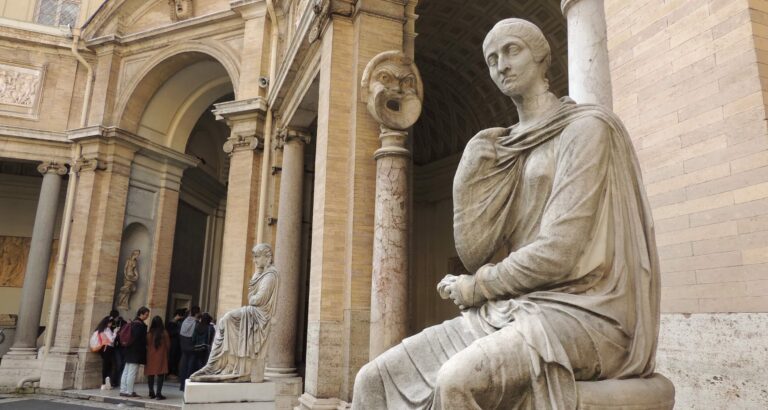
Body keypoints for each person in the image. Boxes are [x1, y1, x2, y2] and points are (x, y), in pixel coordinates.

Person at [353, 18, 660, 409]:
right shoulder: (505, 147)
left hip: (583, 309)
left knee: (457, 381)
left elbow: (560, 251)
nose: (502, 65)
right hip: (514, 308)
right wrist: (469, 175)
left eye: (512, 50)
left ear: (541, 57)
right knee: (373, 380)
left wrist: (475, 288)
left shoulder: (586, 129)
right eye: (492, 58)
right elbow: (473, 251)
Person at [190, 244, 278, 382]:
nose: (254, 261)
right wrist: (256, 279)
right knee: (226, 319)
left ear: (266, 257)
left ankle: (224, 365)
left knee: (229, 318)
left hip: (260, 315)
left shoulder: (270, 276)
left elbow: (257, 299)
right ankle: (218, 364)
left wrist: (253, 295)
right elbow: (252, 295)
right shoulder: (262, 274)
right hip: (254, 311)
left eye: (256, 257)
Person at [119, 306, 150, 398]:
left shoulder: (133, 323)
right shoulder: (139, 325)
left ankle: (123, 390)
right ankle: (129, 391)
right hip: (135, 351)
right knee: (132, 372)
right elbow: (138, 339)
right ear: (141, 314)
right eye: (146, 315)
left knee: (126, 371)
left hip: (129, 350)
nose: (147, 317)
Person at [145, 315, 170, 400]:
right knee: (160, 375)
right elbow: (168, 345)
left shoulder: (149, 333)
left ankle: (151, 392)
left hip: (150, 356)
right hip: (161, 356)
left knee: (150, 374)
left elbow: (147, 344)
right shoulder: (164, 332)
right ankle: (158, 393)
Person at [178, 305, 200, 391]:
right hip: (192, 346)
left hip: (183, 346)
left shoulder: (184, 321)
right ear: (197, 313)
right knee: (190, 367)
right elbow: (195, 336)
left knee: (183, 366)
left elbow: (180, 333)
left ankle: (182, 385)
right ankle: (188, 385)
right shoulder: (196, 323)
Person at [93, 316, 116, 390]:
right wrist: (115, 333)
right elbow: (111, 340)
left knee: (107, 366)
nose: (111, 324)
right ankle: (104, 383)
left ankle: (106, 383)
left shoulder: (101, 329)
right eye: (110, 322)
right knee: (107, 366)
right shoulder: (106, 330)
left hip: (103, 349)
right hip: (107, 348)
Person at [109, 309, 126, 388]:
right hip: (115, 346)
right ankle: (114, 381)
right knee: (118, 364)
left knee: (119, 364)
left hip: (117, 346)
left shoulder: (121, 322)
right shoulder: (110, 323)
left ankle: (116, 381)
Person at [166, 308, 185, 377]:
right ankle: (171, 372)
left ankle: (174, 371)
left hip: (177, 343)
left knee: (176, 357)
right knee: (172, 357)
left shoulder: (178, 323)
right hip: (173, 343)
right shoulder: (172, 323)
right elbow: (170, 333)